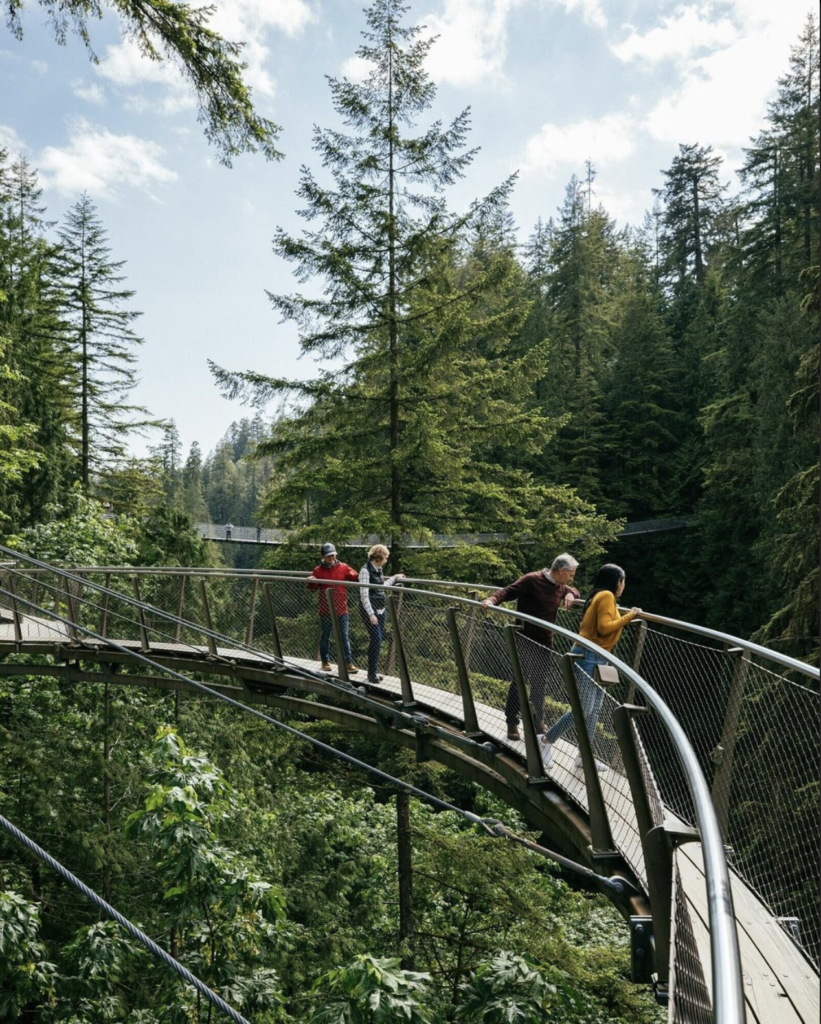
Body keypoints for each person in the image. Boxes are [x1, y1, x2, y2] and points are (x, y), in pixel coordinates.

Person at [541, 563, 640, 769]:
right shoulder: (606, 596)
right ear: (617, 581)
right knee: (584, 709)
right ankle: (546, 742)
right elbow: (604, 629)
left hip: (597, 656)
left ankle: (583, 757)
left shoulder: (601, 596)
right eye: (623, 581)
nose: (623, 586)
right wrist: (631, 616)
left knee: (594, 711)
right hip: (587, 656)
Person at [481, 553, 580, 740]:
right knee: (520, 681)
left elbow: (574, 590)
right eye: (571, 574)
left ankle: (537, 722)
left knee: (539, 684)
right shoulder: (532, 579)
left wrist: (570, 593)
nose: (571, 577)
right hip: (524, 638)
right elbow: (508, 591)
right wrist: (491, 600)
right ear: (561, 571)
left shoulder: (560, 586)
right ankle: (512, 723)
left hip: (544, 642)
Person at [307, 543, 360, 674]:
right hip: (326, 610)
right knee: (325, 635)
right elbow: (312, 589)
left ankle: (348, 663)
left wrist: (371, 576)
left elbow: (356, 577)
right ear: (323, 557)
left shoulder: (343, 567)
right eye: (328, 556)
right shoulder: (318, 570)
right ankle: (325, 661)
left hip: (342, 608)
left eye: (333, 555)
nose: (331, 558)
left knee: (344, 637)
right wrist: (311, 580)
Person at [358, 545, 406, 683]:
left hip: (381, 610)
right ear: (379, 557)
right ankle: (371, 674)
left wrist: (395, 577)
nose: (386, 560)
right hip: (370, 611)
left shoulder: (378, 569)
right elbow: (364, 595)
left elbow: (382, 587)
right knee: (376, 640)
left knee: (377, 641)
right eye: (385, 557)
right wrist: (371, 614)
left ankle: (373, 672)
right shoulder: (365, 571)